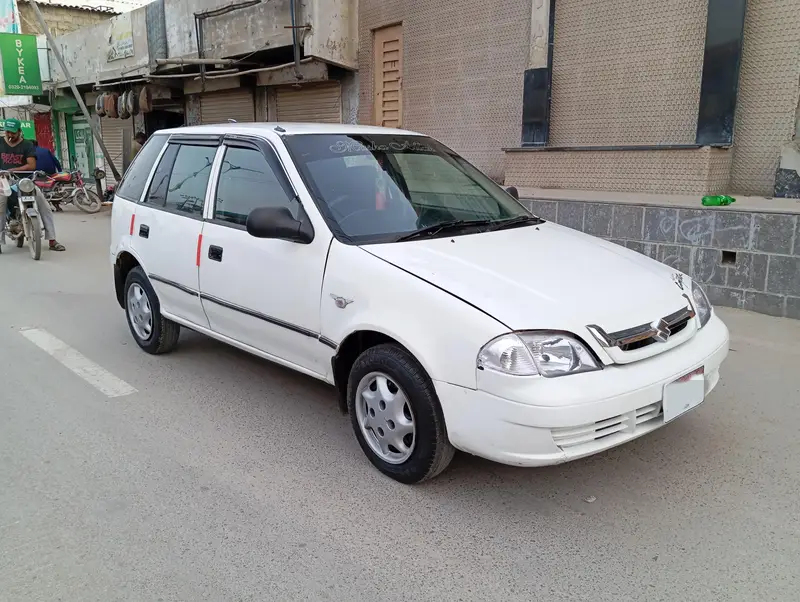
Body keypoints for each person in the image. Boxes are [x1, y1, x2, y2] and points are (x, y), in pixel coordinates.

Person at [0, 118, 65, 251]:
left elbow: (31, 165)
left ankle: (52, 240)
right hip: (3, 181)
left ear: (19, 131)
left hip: (24, 181)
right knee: (1, 206)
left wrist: (12, 170)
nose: (10, 135)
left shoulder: (27, 145)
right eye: (8, 132)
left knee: (44, 206)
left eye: (13, 132)